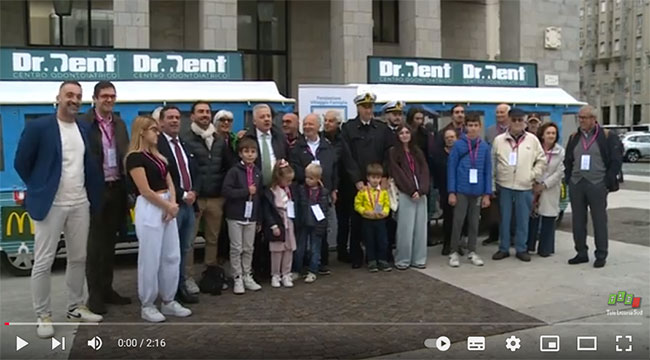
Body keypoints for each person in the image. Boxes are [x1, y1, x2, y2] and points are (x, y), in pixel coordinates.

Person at [14, 80, 104, 338]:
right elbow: (21, 162)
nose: (74, 100)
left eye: (78, 96)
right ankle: (43, 315)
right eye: (69, 95)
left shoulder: (84, 128)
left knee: (78, 258)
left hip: (79, 202)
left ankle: (75, 307)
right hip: (50, 203)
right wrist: (40, 186)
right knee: (43, 261)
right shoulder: (40, 127)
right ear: (59, 97)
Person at [125, 115, 192, 323]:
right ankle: (148, 303)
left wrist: (172, 204)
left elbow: (170, 182)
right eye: (154, 129)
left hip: (166, 204)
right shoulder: (135, 158)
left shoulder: (159, 157)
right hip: (150, 206)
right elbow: (144, 190)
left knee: (171, 254)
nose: (157, 133)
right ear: (142, 132)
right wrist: (166, 205)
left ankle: (169, 299)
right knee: (150, 257)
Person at [81, 81, 131, 315]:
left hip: (117, 187)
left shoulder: (119, 124)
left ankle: (108, 288)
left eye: (112, 96)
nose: (109, 100)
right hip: (95, 190)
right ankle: (95, 296)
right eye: (104, 96)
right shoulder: (84, 123)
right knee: (95, 246)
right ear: (95, 98)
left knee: (111, 243)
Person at [564, 105, 623, 268]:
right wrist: (569, 178)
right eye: (579, 117)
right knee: (578, 220)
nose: (580, 120)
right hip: (577, 183)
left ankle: (601, 254)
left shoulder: (607, 136)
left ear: (593, 119)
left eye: (584, 117)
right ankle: (581, 252)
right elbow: (568, 160)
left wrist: (607, 182)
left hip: (597, 183)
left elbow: (616, 160)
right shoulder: (574, 136)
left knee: (599, 220)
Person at [341, 92, 392, 268]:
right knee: (356, 222)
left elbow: (388, 154)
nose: (368, 110)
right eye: (365, 107)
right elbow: (347, 156)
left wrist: (385, 176)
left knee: (379, 223)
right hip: (359, 184)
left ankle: (381, 257)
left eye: (371, 106)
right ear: (358, 108)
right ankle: (357, 256)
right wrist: (357, 180)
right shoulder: (348, 128)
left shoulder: (381, 128)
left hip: (378, 182)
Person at [156, 106, 201, 304]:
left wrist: (195, 192)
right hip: (172, 204)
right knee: (170, 250)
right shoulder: (158, 145)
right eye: (170, 118)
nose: (175, 121)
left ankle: (180, 285)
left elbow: (195, 170)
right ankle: (169, 291)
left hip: (189, 205)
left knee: (185, 247)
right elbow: (164, 174)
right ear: (161, 122)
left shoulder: (183, 143)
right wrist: (182, 194)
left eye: (177, 118)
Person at [184, 101, 228, 295]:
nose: (205, 115)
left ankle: (210, 274)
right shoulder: (186, 139)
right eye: (200, 111)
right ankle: (187, 277)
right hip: (196, 198)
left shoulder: (219, 139)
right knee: (189, 240)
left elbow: (227, 166)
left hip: (216, 198)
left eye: (207, 111)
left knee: (213, 239)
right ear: (192, 116)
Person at [491, 108, 547, 262]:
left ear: (524, 122)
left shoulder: (533, 140)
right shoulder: (499, 140)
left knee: (523, 219)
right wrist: (493, 185)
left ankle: (521, 249)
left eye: (520, 120)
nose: (517, 123)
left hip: (524, 186)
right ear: (508, 121)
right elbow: (493, 163)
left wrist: (533, 175)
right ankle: (504, 248)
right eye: (514, 120)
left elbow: (542, 160)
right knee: (505, 219)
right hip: (505, 185)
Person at [244, 104, 289, 278]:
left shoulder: (278, 137)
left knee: (276, 226)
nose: (267, 119)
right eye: (262, 117)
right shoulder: (248, 138)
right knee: (257, 229)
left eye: (269, 116)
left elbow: (286, 158)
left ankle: (274, 270)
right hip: (255, 190)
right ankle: (256, 269)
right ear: (254, 121)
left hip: (275, 189)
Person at [290, 113, 338, 275]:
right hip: (303, 196)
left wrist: (334, 188)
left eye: (311, 124)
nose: (307, 127)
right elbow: (294, 169)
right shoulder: (298, 147)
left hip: (323, 195)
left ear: (319, 126)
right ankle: (302, 263)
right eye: (305, 124)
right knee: (303, 230)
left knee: (320, 229)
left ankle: (320, 263)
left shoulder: (327, 146)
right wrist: (310, 178)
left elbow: (334, 169)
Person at [447, 114, 492, 267]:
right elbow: (451, 169)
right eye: (470, 125)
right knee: (458, 221)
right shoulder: (459, 145)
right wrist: (451, 191)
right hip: (461, 189)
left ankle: (472, 251)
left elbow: (487, 171)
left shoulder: (484, 146)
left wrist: (487, 194)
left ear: (479, 127)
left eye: (475, 125)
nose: (472, 128)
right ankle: (453, 251)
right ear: (465, 127)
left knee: (474, 222)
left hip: (477, 191)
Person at [223, 137, 264, 294]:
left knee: (249, 248)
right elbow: (226, 191)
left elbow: (258, 196)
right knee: (236, 248)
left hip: (251, 215)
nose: (249, 155)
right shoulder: (234, 171)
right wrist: (245, 192)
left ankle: (247, 275)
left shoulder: (257, 173)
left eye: (253, 152)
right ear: (240, 154)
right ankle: (237, 277)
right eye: (246, 151)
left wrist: (258, 218)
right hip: (235, 215)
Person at [389, 125, 430, 270]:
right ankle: (403, 259)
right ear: (398, 136)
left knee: (420, 228)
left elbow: (425, 170)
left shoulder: (417, 151)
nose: (405, 135)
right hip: (406, 193)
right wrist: (411, 190)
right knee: (405, 228)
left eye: (407, 132)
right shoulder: (394, 152)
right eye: (402, 133)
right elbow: (397, 173)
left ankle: (419, 259)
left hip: (421, 194)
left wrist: (422, 189)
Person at [323, 110, 357, 263]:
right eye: (325, 120)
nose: (327, 124)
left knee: (345, 220)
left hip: (345, 184)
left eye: (331, 121)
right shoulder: (321, 138)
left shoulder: (344, 138)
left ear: (338, 123)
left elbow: (348, 160)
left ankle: (343, 250)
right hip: (326, 184)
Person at [528, 122, 565, 257]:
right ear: (542, 135)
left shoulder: (560, 151)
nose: (551, 136)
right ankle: (529, 246)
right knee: (532, 217)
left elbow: (560, 171)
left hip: (550, 188)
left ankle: (545, 248)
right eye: (548, 133)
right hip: (534, 186)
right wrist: (535, 183)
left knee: (548, 218)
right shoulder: (535, 149)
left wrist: (544, 185)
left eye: (553, 133)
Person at [263, 160, 297, 288]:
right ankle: (275, 274)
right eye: (287, 180)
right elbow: (268, 211)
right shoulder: (271, 191)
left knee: (289, 249)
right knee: (277, 251)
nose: (289, 183)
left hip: (289, 221)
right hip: (278, 222)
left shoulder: (290, 190)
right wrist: (273, 225)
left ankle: (286, 273)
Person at [294, 163, 330, 283]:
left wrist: (323, 225)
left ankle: (313, 270)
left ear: (318, 179)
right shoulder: (301, 190)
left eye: (311, 178)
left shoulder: (323, 192)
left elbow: (325, 210)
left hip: (316, 225)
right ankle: (297, 270)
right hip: (303, 223)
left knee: (315, 249)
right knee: (300, 248)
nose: (308, 180)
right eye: (306, 177)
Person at [482, 103, 512, 245]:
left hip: (509, 170)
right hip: (494, 170)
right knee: (494, 207)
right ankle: (493, 235)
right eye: (498, 112)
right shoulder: (490, 131)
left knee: (509, 207)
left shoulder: (514, 130)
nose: (499, 115)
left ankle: (510, 236)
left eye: (502, 112)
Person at [355, 163, 392, 272]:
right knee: (369, 241)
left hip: (380, 220)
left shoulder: (383, 192)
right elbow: (357, 204)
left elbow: (386, 204)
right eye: (373, 178)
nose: (375, 180)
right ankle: (371, 261)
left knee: (382, 240)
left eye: (378, 178)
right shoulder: (363, 191)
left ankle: (382, 260)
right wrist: (365, 212)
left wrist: (385, 212)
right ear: (368, 178)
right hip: (368, 220)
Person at [432, 128, 458, 255]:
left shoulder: (461, 153)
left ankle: (457, 244)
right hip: (444, 190)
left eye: (452, 136)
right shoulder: (439, 155)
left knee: (459, 219)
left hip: (460, 191)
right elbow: (435, 173)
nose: (450, 139)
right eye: (447, 137)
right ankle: (447, 244)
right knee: (448, 218)